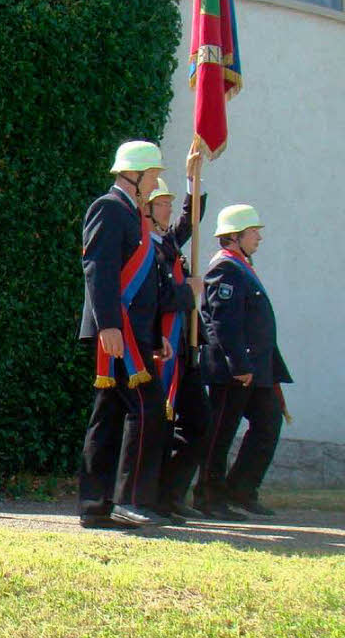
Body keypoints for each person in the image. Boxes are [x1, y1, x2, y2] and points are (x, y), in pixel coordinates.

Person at [78, 141, 176, 528]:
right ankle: (128, 500)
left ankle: (96, 506)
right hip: (116, 335)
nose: (155, 183)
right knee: (146, 408)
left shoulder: (134, 215)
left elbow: (146, 286)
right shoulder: (109, 208)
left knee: (108, 417)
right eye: (151, 176)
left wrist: (153, 337)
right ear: (133, 175)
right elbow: (98, 269)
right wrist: (108, 325)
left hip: (132, 337)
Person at [194, 204, 292, 518]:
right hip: (234, 370)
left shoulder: (240, 267)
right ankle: (208, 497)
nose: (259, 237)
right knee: (221, 432)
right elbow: (223, 323)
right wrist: (239, 365)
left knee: (268, 422)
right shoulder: (225, 269)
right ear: (235, 236)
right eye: (253, 231)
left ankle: (241, 489)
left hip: (254, 370)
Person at [148, 153, 209, 520]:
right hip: (161, 348)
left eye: (171, 203)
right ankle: (155, 498)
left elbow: (189, 224)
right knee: (161, 426)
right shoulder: (144, 247)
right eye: (164, 203)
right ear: (148, 209)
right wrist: (188, 290)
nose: (170, 210)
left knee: (200, 423)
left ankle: (170, 493)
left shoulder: (166, 243)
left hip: (185, 347)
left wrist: (192, 182)